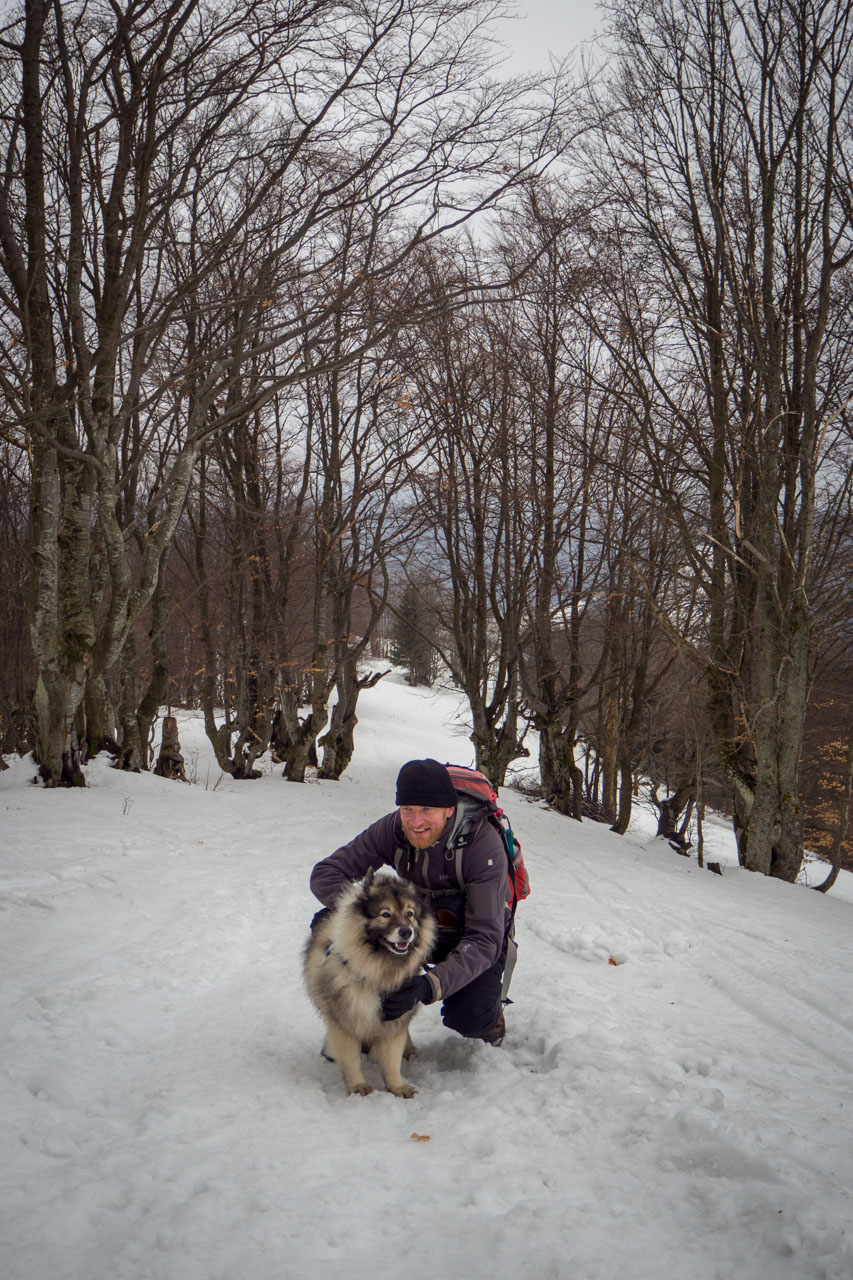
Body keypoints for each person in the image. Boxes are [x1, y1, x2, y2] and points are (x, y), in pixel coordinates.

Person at [309, 758, 511, 1045]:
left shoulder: (483, 846)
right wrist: (362, 912)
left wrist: (426, 986)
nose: (416, 822)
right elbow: (326, 873)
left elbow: (484, 939)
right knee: (326, 922)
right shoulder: (393, 828)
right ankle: (361, 1024)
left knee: (469, 1019)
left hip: (468, 935)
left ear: (449, 809)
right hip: (410, 928)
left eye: (427, 810)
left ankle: (491, 1014)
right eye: (408, 810)